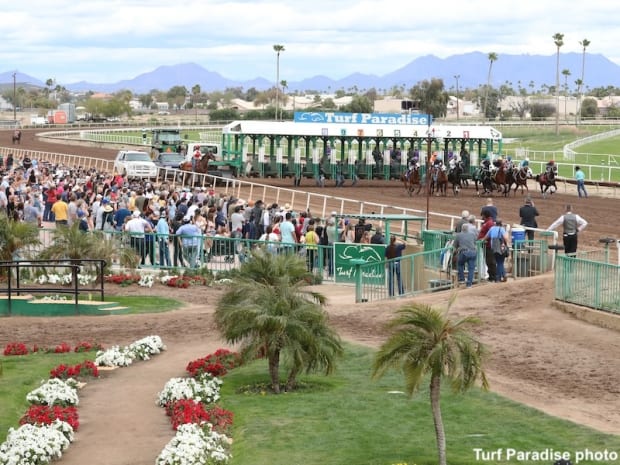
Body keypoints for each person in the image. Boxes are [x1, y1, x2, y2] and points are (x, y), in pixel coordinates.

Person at [453, 223, 478, 288]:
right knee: (471, 268)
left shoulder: (458, 235)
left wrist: (455, 251)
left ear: (462, 229)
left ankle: (462, 279)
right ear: (468, 229)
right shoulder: (472, 234)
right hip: (473, 252)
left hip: (464, 252)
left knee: (460, 264)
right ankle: (469, 284)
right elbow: (475, 242)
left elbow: (454, 246)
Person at [478, 210, 496, 282]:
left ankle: (493, 276)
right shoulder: (487, 223)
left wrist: (483, 239)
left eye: (482, 215)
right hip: (486, 245)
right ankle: (491, 276)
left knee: (490, 261)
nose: (482, 217)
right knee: (488, 261)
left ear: (485, 215)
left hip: (488, 245)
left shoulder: (489, 223)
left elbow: (490, 234)